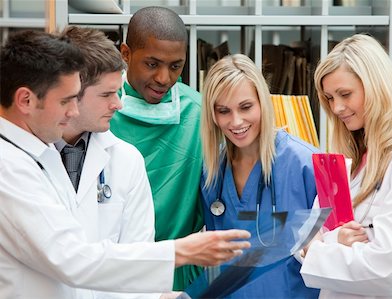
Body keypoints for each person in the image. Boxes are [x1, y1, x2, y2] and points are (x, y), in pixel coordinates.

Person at [0, 30, 251, 299]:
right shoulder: (13, 164)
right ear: (25, 100)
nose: (118, 104)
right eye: (66, 100)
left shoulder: (95, 157)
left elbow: (123, 268)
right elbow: (69, 257)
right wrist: (181, 251)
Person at [299, 34, 392, 298]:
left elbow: (389, 270)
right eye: (330, 98)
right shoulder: (345, 163)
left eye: (345, 94)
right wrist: (331, 244)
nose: (336, 108)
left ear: (377, 87)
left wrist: (322, 248)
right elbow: (303, 242)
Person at [200, 53, 320, 298]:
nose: (236, 121)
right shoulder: (213, 173)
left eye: (245, 107)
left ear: (263, 103)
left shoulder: (305, 164)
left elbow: (331, 253)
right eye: (224, 111)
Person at [56, 26, 159, 299]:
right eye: (106, 94)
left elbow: (138, 266)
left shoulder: (126, 161)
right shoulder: (21, 158)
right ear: (70, 93)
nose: (119, 104)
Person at [110, 6, 203, 291]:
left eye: (176, 66)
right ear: (125, 54)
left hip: (178, 271)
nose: (164, 78)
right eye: (152, 64)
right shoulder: (99, 110)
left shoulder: (199, 112)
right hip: (112, 268)